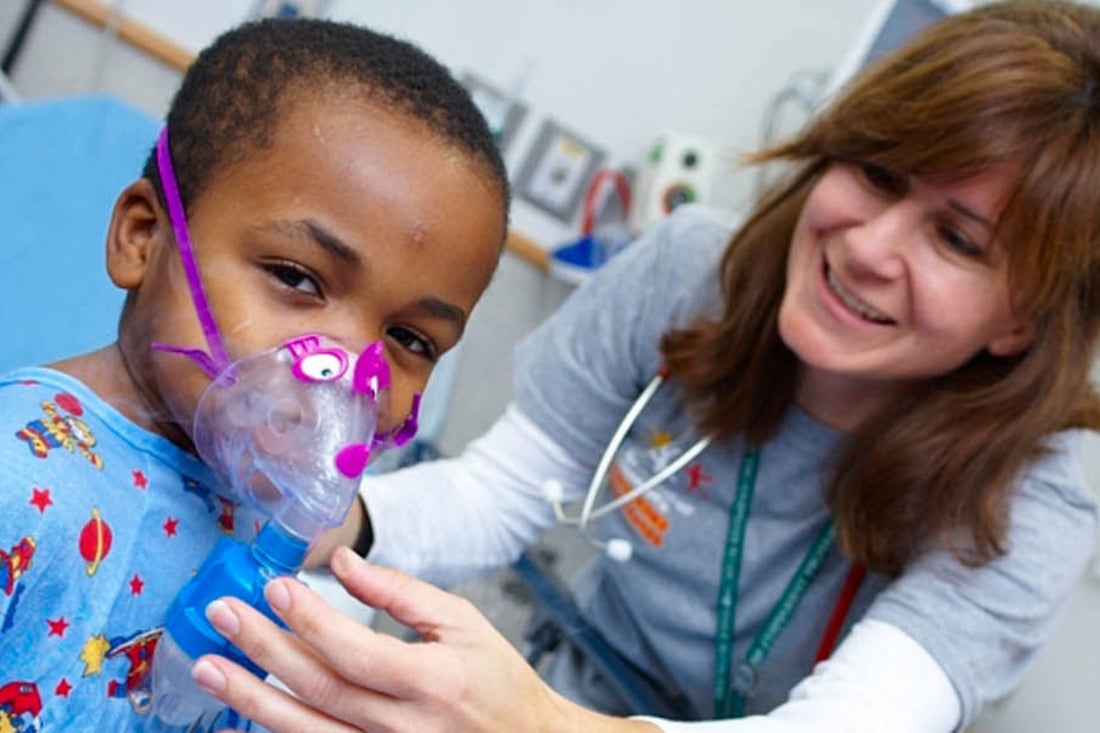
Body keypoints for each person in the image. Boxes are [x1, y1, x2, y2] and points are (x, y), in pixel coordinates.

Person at [194, 1, 1100, 731]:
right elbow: (507, 492)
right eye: (880, 174)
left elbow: (859, 717)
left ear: (1024, 321)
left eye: (956, 239)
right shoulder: (692, 274)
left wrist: (533, 723)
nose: (867, 247)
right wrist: (337, 521)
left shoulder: (1037, 489)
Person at [0, 17, 508, 733]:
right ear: (145, 237)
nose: (349, 378)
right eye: (297, 278)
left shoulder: (255, 512)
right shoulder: (19, 481)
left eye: (409, 338)